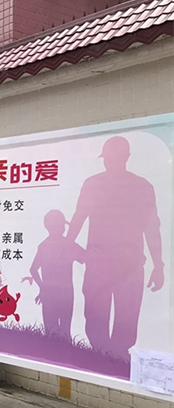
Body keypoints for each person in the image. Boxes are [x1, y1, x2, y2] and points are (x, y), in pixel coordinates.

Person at [67, 136, 164, 361]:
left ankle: (112, 359)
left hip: (118, 264)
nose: (108, 162)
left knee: (117, 318)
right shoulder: (138, 186)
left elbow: (151, 228)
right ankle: (108, 359)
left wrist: (159, 265)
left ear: (124, 157)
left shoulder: (134, 186)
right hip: (114, 263)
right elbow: (79, 218)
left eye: (111, 158)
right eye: (107, 159)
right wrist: (71, 248)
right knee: (106, 317)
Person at [29, 210, 85, 340]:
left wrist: (42, 287)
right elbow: (86, 257)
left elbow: (33, 270)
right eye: (62, 225)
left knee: (51, 331)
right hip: (65, 293)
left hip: (50, 294)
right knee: (65, 330)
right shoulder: (69, 244)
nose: (64, 228)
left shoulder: (44, 246)